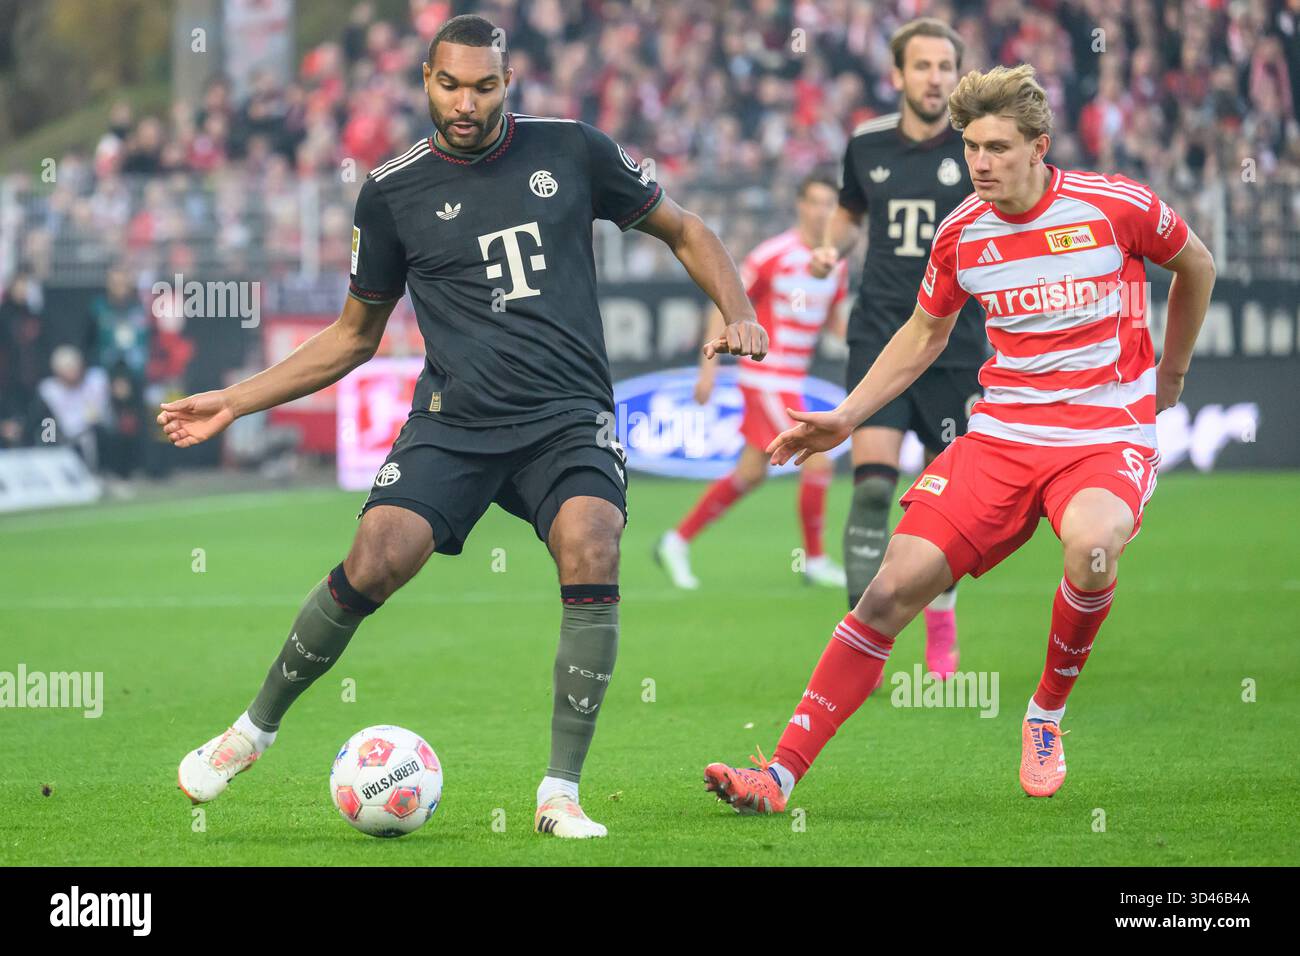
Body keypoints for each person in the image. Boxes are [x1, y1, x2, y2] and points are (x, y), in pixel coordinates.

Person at [163, 14, 767, 840]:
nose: (466, 102)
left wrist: (736, 309)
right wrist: (234, 400)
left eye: (484, 86)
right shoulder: (391, 191)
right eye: (450, 84)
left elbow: (686, 228)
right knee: (376, 558)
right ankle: (251, 732)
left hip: (566, 416)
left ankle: (559, 795)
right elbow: (353, 336)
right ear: (425, 81)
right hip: (457, 421)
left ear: (507, 84)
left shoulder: (571, 149)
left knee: (593, 540)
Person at [702, 63, 1215, 813]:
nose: (980, 162)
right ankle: (777, 776)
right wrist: (846, 417)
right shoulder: (962, 234)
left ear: (1040, 147)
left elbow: (1196, 263)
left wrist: (1170, 374)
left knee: (1093, 546)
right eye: (972, 146)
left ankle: (1044, 714)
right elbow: (924, 333)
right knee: (887, 592)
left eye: (999, 147)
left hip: (1104, 433)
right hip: (1000, 437)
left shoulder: (1116, 206)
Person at [809, 18, 988, 679]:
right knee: (873, 491)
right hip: (881, 331)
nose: (935, 77)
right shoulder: (865, 144)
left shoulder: (977, 148)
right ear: (897, 76)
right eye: (923, 66)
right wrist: (833, 245)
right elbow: (853, 209)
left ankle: (941, 622)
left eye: (946, 66)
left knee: (943, 506)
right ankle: (862, 643)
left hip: (955, 341)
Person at [656, 169, 849, 590]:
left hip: (792, 378)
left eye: (829, 204)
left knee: (751, 472)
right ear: (801, 204)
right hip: (767, 376)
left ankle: (676, 540)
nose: (822, 212)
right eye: (815, 202)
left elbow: (836, 324)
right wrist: (708, 369)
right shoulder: (772, 255)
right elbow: (722, 301)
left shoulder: (836, 264)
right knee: (819, 458)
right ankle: (814, 561)